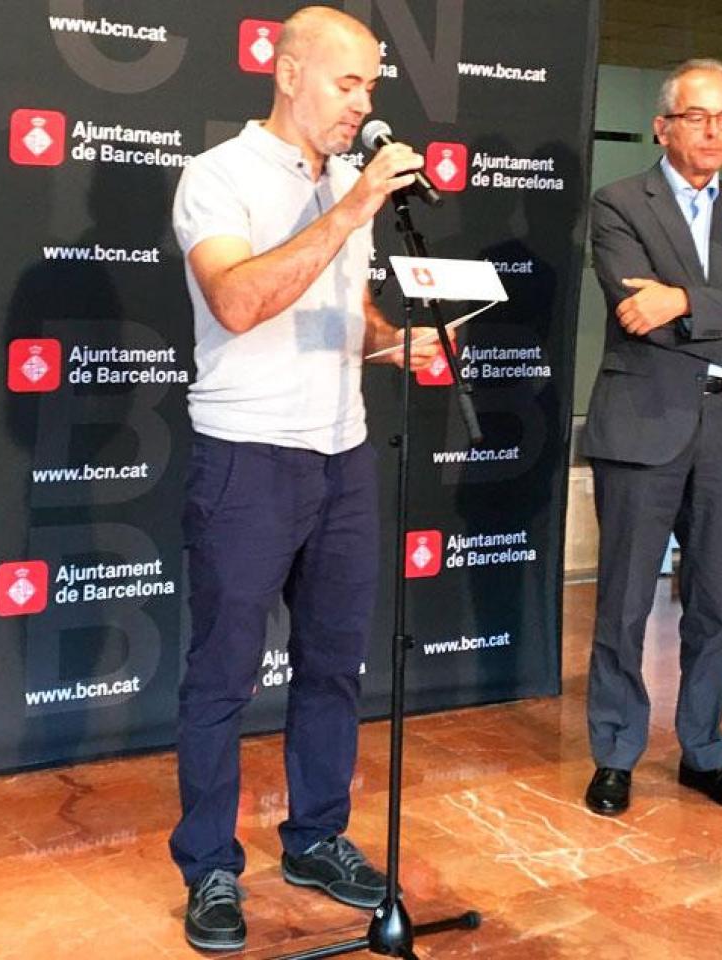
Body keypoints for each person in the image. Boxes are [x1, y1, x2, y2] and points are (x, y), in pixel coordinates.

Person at [166, 5, 439, 953]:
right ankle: (209, 867)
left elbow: (342, 307)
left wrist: (392, 342)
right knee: (223, 675)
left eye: (372, 86)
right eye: (347, 83)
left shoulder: (340, 185)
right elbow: (239, 301)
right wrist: (353, 207)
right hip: (247, 455)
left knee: (333, 665)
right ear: (288, 74)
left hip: (343, 454)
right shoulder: (219, 175)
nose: (363, 104)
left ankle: (317, 837)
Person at [580, 58, 722, 818]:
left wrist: (684, 302)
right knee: (624, 603)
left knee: (715, 604)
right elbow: (639, 315)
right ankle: (615, 754)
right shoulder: (618, 203)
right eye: (698, 117)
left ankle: (704, 751)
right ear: (662, 126)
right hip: (643, 424)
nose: (714, 133)